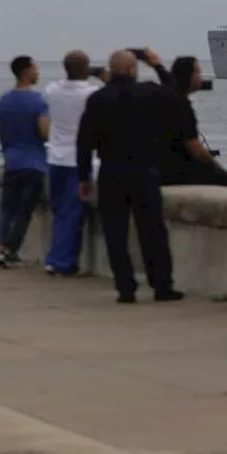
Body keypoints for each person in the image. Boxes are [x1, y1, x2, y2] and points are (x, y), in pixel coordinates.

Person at [76, 49, 185, 304]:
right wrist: (157, 65)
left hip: (111, 170)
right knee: (152, 230)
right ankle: (162, 285)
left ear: (111, 71)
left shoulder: (98, 99)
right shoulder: (148, 93)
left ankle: (126, 288)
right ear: (133, 69)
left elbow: (84, 142)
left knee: (115, 232)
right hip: (143, 169)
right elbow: (174, 93)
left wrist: (83, 176)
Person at [0, 56, 50, 269]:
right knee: (23, 211)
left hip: (12, 161)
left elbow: (2, 132)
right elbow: (44, 132)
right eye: (36, 67)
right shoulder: (39, 101)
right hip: (34, 163)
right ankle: (11, 251)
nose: (38, 71)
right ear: (27, 71)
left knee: (6, 208)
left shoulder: (3, 101)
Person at [41, 51, 100, 276]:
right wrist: (101, 75)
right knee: (73, 213)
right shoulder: (91, 93)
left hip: (55, 157)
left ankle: (57, 258)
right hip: (80, 160)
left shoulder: (52, 90)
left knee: (60, 211)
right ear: (87, 69)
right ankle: (62, 262)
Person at [159, 55, 227, 189]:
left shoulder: (168, 99)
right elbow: (195, 148)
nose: (201, 76)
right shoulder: (182, 106)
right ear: (189, 76)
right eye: (198, 72)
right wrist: (219, 168)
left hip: (162, 168)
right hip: (177, 172)